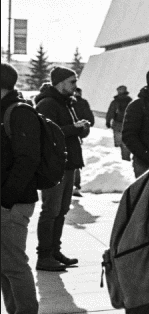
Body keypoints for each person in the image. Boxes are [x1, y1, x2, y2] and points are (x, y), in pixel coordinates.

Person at [1, 63, 42, 314]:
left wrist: (5, 200)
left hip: (13, 203)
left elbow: (27, 161)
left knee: (14, 264)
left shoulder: (19, 112)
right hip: (6, 200)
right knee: (4, 266)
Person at [33, 66, 89, 272]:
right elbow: (47, 134)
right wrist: (74, 128)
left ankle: (54, 251)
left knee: (62, 211)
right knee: (51, 211)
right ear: (60, 83)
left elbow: (67, 131)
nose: (75, 86)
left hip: (68, 164)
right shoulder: (48, 104)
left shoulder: (66, 103)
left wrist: (81, 129)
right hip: (54, 166)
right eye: (72, 82)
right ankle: (44, 255)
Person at [69, 86, 95, 197]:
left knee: (72, 159)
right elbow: (90, 117)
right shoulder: (82, 103)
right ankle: (75, 185)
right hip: (78, 133)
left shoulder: (69, 102)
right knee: (75, 158)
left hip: (72, 132)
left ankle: (72, 185)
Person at [105, 85, 131, 161]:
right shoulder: (131, 101)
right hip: (127, 125)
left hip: (118, 125)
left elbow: (110, 112)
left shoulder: (116, 101)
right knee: (125, 143)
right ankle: (124, 159)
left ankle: (121, 161)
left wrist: (108, 121)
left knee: (119, 143)